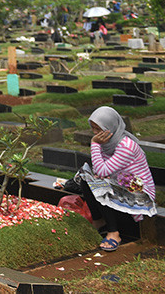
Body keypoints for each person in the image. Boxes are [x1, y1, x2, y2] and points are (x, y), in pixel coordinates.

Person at [57, 106, 155, 251]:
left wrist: (94, 145)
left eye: (99, 129)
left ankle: (114, 233)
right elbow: (98, 170)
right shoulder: (108, 142)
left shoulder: (126, 146)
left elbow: (102, 171)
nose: (96, 133)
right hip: (121, 185)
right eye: (93, 128)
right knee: (86, 178)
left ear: (111, 127)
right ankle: (99, 221)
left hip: (139, 194)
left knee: (100, 184)